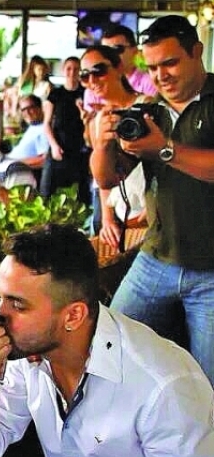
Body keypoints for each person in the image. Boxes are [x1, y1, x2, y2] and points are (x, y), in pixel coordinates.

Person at [0, 223, 214, 457]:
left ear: (73, 316)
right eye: (0, 298)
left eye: (17, 305)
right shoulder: (28, 354)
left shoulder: (163, 387)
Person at [90, 14, 214, 385]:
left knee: (207, 383)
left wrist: (164, 149)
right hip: (155, 257)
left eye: (171, 63)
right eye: (153, 67)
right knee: (106, 350)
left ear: (197, 52)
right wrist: (102, 143)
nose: (162, 75)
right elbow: (107, 177)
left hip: (211, 269)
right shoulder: (151, 111)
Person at [80, 45, 155, 238]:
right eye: (85, 76)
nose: (92, 80)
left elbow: (163, 158)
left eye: (98, 71)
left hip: (152, 211)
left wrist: (159, 203)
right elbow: (103, 180)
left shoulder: (148, 106)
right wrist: (107, 220)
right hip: (123, 214)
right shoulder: (98, 120)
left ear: (119, 68)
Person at [42, 56, 89, 200]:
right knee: (47, 192)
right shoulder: (55, 94)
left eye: (76, 69)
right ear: (63, 70)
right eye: (69, 69)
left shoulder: (85, 93)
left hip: (79, 150)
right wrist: (54, 146)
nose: (72, 72)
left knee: (79, 195)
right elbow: (47, 124)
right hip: (59, 147)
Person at [83, 24, 156, 111]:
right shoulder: (93, 89)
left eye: (117, 49)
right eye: (105, 51)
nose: (111, 55)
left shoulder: (150, 82)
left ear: (135, 51)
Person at [5, 94, 50, 187]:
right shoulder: (33, 126)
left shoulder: (43, 129)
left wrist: (15, 163)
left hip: (21, 175)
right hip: (9, 168)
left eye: (30, 108)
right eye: (23, 110)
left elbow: (44, 160)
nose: (27, 112)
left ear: (39, 108)